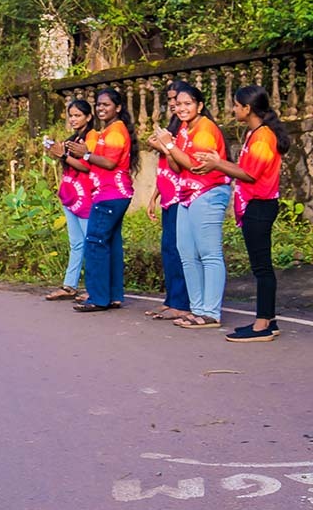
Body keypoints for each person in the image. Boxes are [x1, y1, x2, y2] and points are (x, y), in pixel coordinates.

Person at [192, 85, 290, 342]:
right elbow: (244, 169)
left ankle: (262, 324)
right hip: (254, 205)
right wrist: (218, 163)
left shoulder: (263, 137)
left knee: (261, 267)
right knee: (260, 265)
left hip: (260, 205)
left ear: (248, 108)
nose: (233, 109)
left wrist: (217, 164)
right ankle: (268, 320)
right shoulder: (253, 133)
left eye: (236, 105)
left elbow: (250, 174)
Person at [152, 84, 231, 329]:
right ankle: (196, 309)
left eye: (188, 104)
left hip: (208, 192)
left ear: (200, 105)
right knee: (186, 253)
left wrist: (170, 146)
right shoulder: (185, 129)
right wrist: (168, 148)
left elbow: (196, 166)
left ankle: (211, 312)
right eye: (178, 104)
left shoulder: (205, 129)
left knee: (209, 254)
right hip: (187, 194)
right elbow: (178, 166)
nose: (181, 108)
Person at [71, 88, 138, 313]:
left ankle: (98, 298)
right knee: (110, 243)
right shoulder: (109, 130)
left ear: (117, 108)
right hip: (114, 193)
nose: (101, 108)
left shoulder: (116, 131)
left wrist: (85, 154)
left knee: (95, 242)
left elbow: (109, 163)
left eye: (106, 104)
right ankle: (113, 295)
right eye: (98, 104)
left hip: (111, 194)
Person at [142, 81, 193, 321]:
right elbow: (164, 167)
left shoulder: (187, 128)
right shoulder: (172, 126)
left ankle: (182, 303)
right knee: (168, 249)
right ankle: (172, 299)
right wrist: (154, 195)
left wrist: (164, 146)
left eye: (178, 99)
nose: (173, 104)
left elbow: (180, 162)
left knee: (177, 248)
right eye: (171, 99)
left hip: (182, 195)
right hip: (167, 194)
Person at [44, 100, 98, 301]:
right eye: (71, 116)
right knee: (76, 243)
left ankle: (95, 288)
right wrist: (60, 153)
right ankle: (69, 285)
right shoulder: (73, 139)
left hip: (86, 197)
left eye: (78, 115)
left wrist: (64, 156)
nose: (73, 119)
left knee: (91, 242)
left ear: (88, 117)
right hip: (71, 195)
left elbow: (87, 166)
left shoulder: (92, 137)